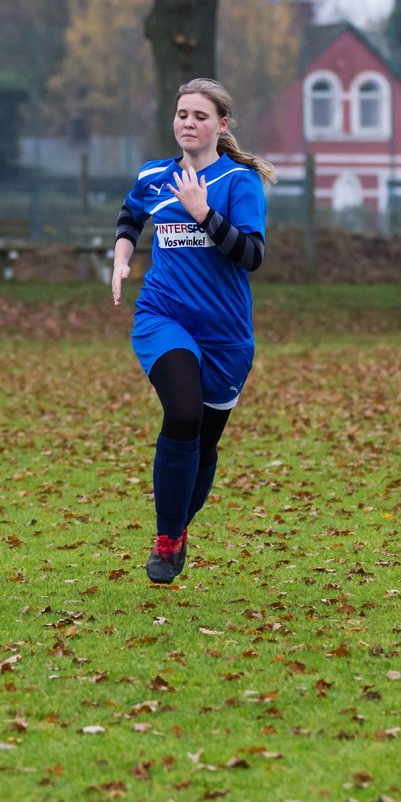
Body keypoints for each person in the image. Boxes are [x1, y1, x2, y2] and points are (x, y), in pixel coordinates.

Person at [111, 78, 274, 584]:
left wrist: (204, 214)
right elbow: (129, 214)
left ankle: (177, 530)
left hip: (226, 336)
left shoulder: (238, 182)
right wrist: (120, 258)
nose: (188, 123)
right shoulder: (154, 175)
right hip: (163, 317)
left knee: (202, 447)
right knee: (181, 413)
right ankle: (166, 539)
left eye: (200, 116)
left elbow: (252, 256)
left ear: (221, 125)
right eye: (182, 114)